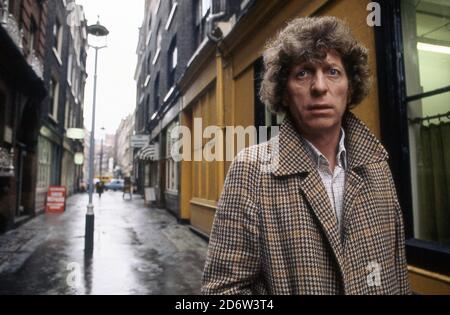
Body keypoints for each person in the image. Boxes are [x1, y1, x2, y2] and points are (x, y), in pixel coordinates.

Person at [202, 16, 411, 295]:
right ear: (284, 92)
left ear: (349, 89)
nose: (319, 86)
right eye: (303, 73)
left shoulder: (377, 164)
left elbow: (396, 273)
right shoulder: (250, 171)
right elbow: (222, 293)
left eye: (333, 72)